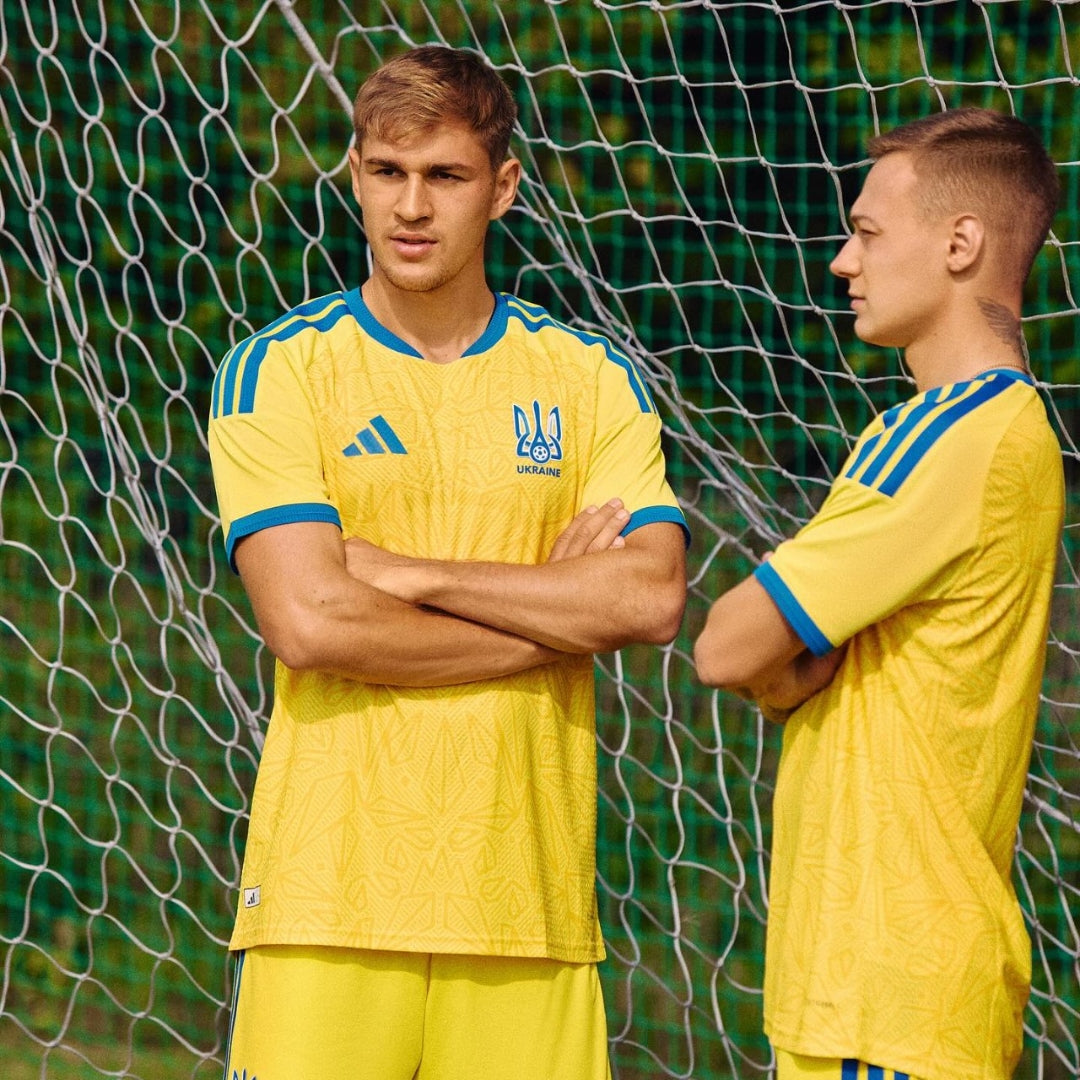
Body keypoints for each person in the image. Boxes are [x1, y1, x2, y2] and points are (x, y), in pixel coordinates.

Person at [207, 44, 688, 1080]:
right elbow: (311, 623)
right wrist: (554, 622)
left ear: (502, 188)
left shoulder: (589, 378)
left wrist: (413, 575)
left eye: (445, 176)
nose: (411, 207)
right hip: (327, 901)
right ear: (355, 175)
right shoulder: (279, 370)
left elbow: (649, 596)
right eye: (387, 172)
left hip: (529, 910)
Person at [693, 107, 1063, 1080]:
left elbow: (727, 645)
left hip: (891, 990)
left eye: (866, 232)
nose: (842, 262)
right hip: (879, 995)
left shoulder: (956, 436)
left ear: (960, 244)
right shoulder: (963, 430)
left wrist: (781, 664)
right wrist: (785, 665)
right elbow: (778, 658)